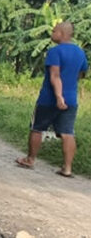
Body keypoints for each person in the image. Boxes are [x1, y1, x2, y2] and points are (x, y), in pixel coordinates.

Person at [16, 22, 87, 177]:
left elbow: (55, 76)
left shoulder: (55, 52)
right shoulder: (80, 52)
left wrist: (58, 97)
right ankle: (67, 168)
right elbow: (81, 74)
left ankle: (30, 159)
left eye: (54, 31)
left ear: (61, 33)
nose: (52, 33)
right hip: (71, 99)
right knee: (68, 132)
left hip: (49, 98)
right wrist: (66, 93)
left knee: (37, 128)